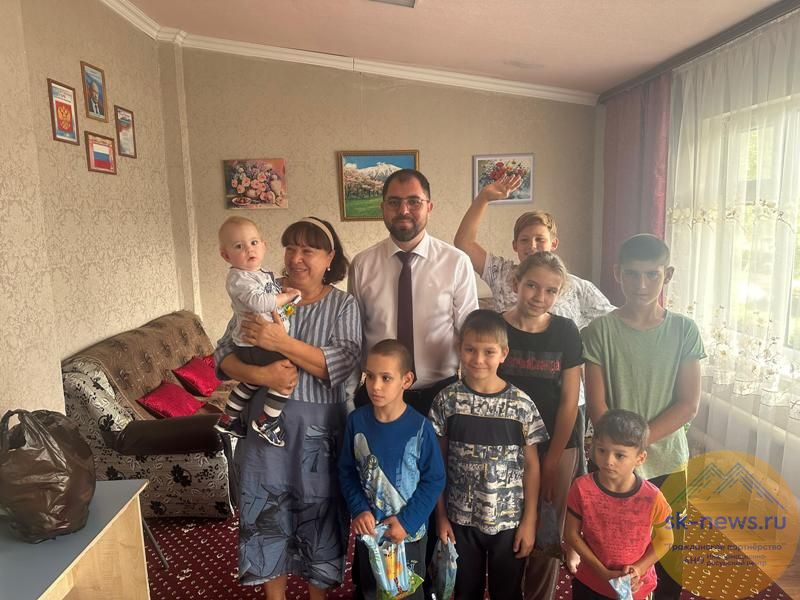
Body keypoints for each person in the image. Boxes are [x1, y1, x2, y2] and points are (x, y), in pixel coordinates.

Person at [213, 217, 361, 600]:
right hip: (266, 433)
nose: (296, 258)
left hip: (319, 436)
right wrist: (262, 374)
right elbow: (224, 354)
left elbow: (341, 364)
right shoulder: (263, 290)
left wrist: (279, 342)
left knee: (320, 519)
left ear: (329, 257)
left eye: (308, 250)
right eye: (291, 248)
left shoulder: (343, 305)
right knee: (267, 517)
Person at [454, 176, 614, 481]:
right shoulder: (503, 272)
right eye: (525, 240)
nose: (532, 246)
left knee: (558, 487)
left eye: (540, 239)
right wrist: (484, 198)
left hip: (562, 401)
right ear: (515, 246)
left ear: (553, 243)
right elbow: (463, 244)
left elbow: (611, 323)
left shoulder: (575, 286)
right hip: (509, 402)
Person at [582, 234, 705, 600]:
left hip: (667, 461)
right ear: (617, 273)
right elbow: (597, 405)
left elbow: (688, 404)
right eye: (632, 274)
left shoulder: (684, 330)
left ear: (668, 275)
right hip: (612, 463)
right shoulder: (599, 331)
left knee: (669, 551)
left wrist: (636, 446)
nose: (641, 284)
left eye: (652, 275)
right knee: (611, 551)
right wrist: (622, 454)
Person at [430, 310, 548, 600]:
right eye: (470, 349)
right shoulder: (447, 400)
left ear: (503, 353)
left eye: (488, 351)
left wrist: (529, 520)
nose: (478, 359)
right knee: (463, 591)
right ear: (459, 349)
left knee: (507, 592)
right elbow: (436, 464)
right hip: (459, 520)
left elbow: (532, 467)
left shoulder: (521, 405)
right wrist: (441, 517)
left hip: (509, 521)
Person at [349, 168, 479, 417]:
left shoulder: (456, 262)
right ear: (382, 207)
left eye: (414, 202)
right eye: (394, 202)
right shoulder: (362, 265)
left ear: (429, 207)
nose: (404, 210)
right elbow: (356, 337)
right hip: (378, 396)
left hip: (441, 395)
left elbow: (470, 335)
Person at [498, 252, 583, 600]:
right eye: (532, 285)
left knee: (547, 532)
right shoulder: (495, 326)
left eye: (551, 290)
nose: (539, 297)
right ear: (516, 282)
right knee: (508, 528)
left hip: (557, 444)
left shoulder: (565, 331)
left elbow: (569, 402)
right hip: (503, 446)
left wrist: (551, 460)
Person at [339, 339, 445, 600]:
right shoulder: (356, 421)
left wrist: (407, 522)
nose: (375, 386)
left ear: (406, 380)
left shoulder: (421, 429)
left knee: (406, 593)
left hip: (408, 536)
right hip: (370, 534)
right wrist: (359, 509)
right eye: (370, 376)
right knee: (370, 591)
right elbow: (346, 471)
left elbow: (434, 479)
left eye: (386, 378)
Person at [564, 409, 674, 600]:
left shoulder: (653, 497)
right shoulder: (581, 488)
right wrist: (602, 572)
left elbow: (666, 539)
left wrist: (639, 569)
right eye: (602, 450)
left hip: (635, 587)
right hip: (590, 582)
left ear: (640, 458)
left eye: (619, 455)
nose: (608, 461)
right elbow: (571, 534)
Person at [214, 216, 301, 446]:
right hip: (254, 344)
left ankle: (227, 419)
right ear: (226, 255)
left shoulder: (261, 274)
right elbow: (262, 303)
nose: (248, 249)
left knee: (250, 383)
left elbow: (274, 302)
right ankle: (267, 421)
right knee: (287, 376)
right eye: (238, 246)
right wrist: (287, 297)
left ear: (264, 246)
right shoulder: (238, 278)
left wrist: (286, 296)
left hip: (253, 345)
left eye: (253, 243)